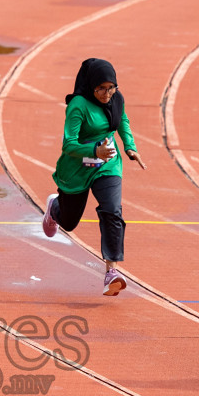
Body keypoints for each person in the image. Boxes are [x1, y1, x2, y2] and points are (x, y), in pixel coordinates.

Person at [40, 58, 144, 296]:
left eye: (111, 88)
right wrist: (93, 151)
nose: (107, 94)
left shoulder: (117, 98)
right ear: (91, 86)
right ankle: (54, 207)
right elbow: (69, 144)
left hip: (108, 165)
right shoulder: (79, 105)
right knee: (69, 222)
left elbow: (122, 121)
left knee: (112, 210)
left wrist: (129, 146)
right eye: (101, 88)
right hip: (77, 168)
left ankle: (112, 271)